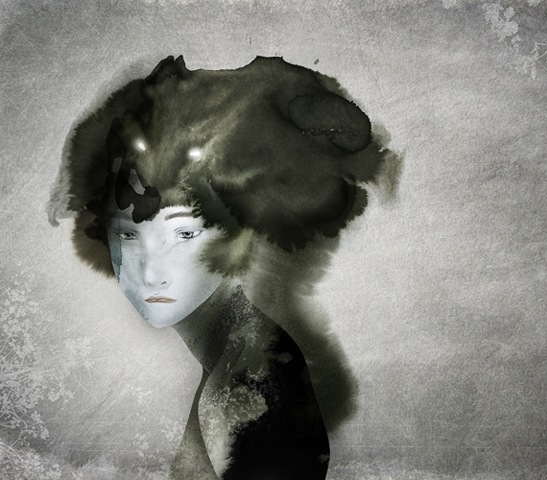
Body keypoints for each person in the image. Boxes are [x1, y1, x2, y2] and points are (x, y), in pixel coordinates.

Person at [48, 55, 393, 479]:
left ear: (238, 232)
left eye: (183, 234)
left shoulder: (247, 391)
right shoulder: (236, 362)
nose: (150, 271)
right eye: (129, 236)